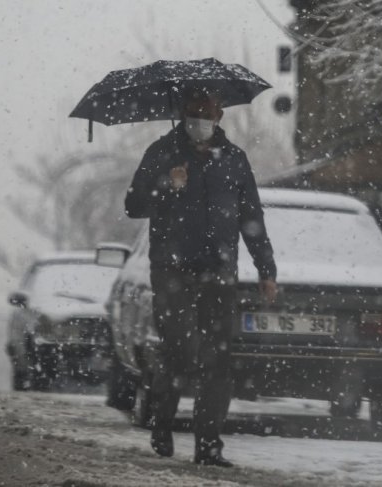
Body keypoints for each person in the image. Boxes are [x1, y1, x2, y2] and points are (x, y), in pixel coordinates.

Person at [124, 88, 277, 467]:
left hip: (220, 272)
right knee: (178, 352)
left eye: (206, 111)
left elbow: (251, 218)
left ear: (219, 115)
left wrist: (266, 269)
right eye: (193, 111)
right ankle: (163, 421)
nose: (199, 119)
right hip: (172, 270)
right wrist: (166, 185)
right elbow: (133, 205)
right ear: (182, 113)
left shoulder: (235, 160)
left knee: (218, 361)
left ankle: (208, 445)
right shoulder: (161, 153)